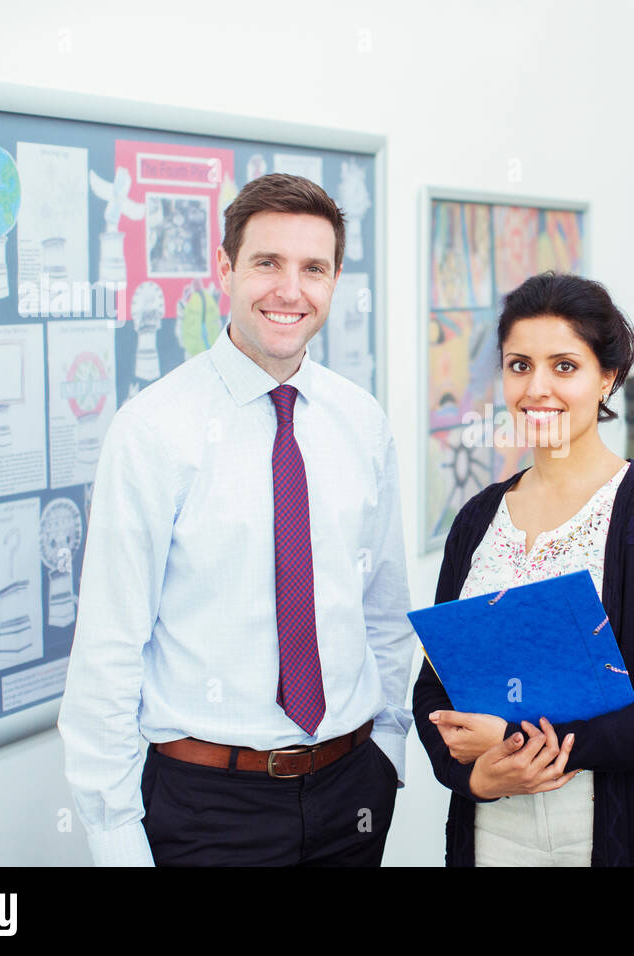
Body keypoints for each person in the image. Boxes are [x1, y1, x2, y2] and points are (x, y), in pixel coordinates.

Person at [59, 174, 414, 866]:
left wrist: (388, 751)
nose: (291, 290)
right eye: (267, 263)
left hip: (351, 791)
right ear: (224, 268)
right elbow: (108, 647)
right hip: (208, 810)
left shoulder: (362, 422)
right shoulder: (153, 431)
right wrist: (114, 835)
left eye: (313, 268)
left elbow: (383, 607)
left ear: (336, 278)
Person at [413, 272, 634, 866]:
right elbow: (433, 688)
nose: (537, 388)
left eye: (564, 366)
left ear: (606, 377)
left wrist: (516, 741)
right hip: (489, 831)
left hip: (611, 832)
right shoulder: (478, 519)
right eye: (519, 365)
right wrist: (474, 779)